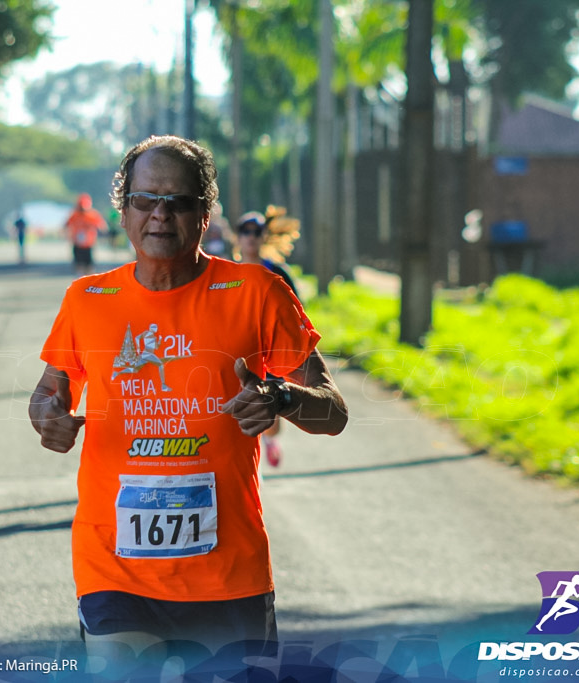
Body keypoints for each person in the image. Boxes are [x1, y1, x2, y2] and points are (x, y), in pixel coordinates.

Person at [29, 136, 348, 667]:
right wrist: (48, 417)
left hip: (228, 578)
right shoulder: (88, 300)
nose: (160, 214)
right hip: (114, 571)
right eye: (145, 199)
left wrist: (281, 396)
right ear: (123, 209)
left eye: (178, 201)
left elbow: (332, 411)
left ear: (205, 213)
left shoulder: (256, 292)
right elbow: (49, 391)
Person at [234, 208, 303, 467]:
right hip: (237, 347)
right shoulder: (226, 272)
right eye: (245, 232)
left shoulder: (277, 272)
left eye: (256, 232)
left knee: (271, 404)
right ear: (237, 237)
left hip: (269, 348)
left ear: (264, 236)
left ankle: (271, 441)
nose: (251, 237)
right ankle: (247, 454)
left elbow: (296, 309)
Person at [64, 193, 106, 276]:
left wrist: (102, 234)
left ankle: (88, 280)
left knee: (89, 265)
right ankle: (80, 279)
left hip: (88, 244)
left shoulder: (92, 215)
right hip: (77, 244)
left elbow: (102, 226)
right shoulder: (74, 215)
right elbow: (66, 225)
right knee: (79, 264)